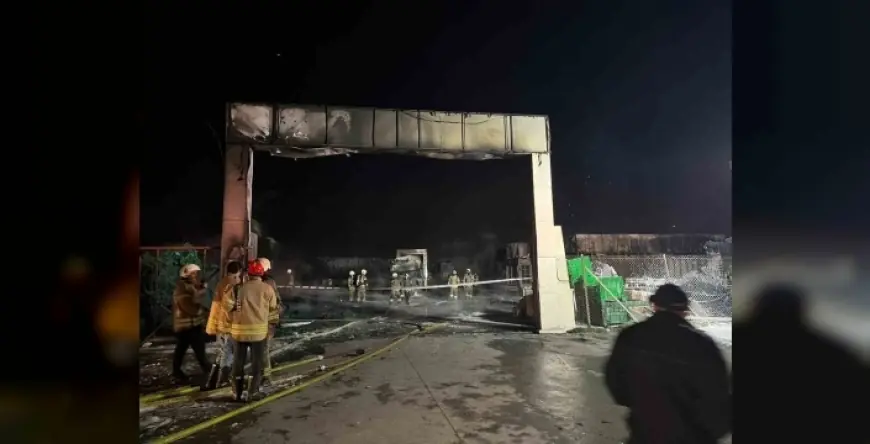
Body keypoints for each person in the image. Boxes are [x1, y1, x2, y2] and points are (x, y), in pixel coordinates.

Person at [604, 284, 731, 444]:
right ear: (685, 311)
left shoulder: (630, 337)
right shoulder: (703, 345)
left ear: (655, 306)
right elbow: (720, 401)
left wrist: (642, 405)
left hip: (645, 435)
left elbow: (615, 384)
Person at [225, 260, 280, 402]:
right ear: (262, 274)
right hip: (259, 334)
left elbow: (227, 307)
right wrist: (272, 326)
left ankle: (236, 392)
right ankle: (252, 392)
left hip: (239, 334)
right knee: (257, 364)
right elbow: (273, 310)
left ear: (248, 274)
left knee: (238, 363)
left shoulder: (238, 288)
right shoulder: (268, 289)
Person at [203, 260, 242, 389]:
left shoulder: (222, 283)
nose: (237, 278)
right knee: (227, 354)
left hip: (221, 325)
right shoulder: (230, 286)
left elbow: (216, 307)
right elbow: (228, 306)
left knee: (222, 353)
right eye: (235, 276)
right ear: (231, 274)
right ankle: (222, 380)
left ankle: (212, 381)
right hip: (228, 325)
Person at [171, 263, 212, 382]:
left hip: (190, 326)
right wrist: (203, 311)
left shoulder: (188, 287)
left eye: (196, 273)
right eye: (193, 274)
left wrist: (201, 289)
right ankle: (208, 370)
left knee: (181, 350)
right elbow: (190, 307)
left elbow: (195, 295)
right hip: (188, 326)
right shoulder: (182, 289)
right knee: (198, 350)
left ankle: (177, 372)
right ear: (186, 275)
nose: (195, 276)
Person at [257, 257, 284, 385]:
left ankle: (264, 376)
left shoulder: (265, 283)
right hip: (265, 322)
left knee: (262, 350)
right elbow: (277, 304)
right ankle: (264, 375)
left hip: (263, 322)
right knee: (262, 350)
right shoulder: (268, 283)